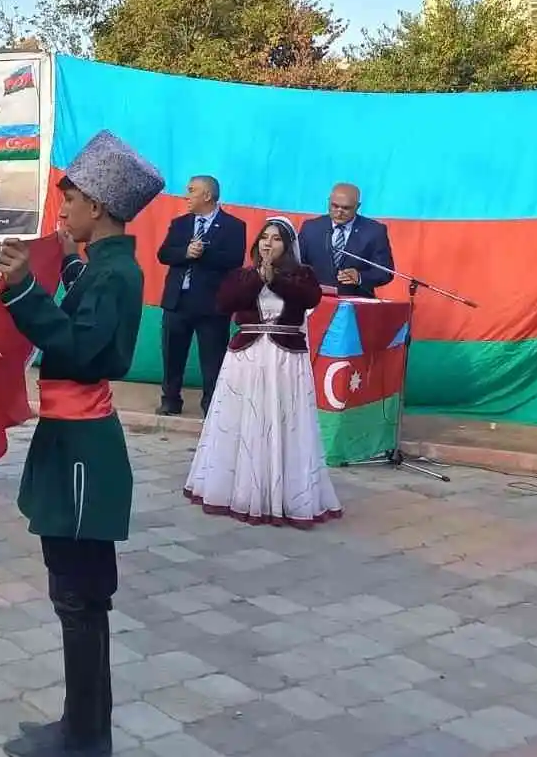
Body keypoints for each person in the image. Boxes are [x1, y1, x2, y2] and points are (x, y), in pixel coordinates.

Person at [0, 130, 163, 757]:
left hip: (83, 450)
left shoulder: (117, 274)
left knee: (81, 597)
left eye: (69, 200)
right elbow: (84, 314)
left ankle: (88, 736)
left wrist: (26, 292)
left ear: (98, 204)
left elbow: (82, 348)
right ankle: (79, 725)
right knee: (75, 594)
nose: (62, 211)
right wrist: (62, 265)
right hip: (72, 441)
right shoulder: (106, 265)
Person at [184, 218, 343, 528]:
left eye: (276, 239)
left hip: (285, 360)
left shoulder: (303, 275)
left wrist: (276, 280)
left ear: (288, 246)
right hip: (247, 357)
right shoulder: (240, 276)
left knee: (283, 421)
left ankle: (287, 493)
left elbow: (310, 298)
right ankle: (239, 489)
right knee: (245, 420)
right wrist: (260, 278)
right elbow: (226, 302)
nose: (268, 244)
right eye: (264, 238)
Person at [155, 175, 246, 415]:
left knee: (212, 359)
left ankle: (212, 405)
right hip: (177, 301)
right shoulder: (180, 224)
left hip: (212, 305)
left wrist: (203, 253)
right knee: (172, 355)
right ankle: (171, 400)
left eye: (192, 190)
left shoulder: (234, 226)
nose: (187, 195)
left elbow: (234, 260)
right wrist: (185, 252)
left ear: (207, 195)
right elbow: (164, 254)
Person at [297, 183, 394, 298]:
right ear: (328, 202)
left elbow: (385, 272)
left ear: (357, 207)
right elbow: (298, 265)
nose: (339, 212)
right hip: (316, 301)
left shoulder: (374, 231)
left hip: (356, 303)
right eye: (334, 206)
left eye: (346, 208)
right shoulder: (311, 228)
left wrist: (360, 277)